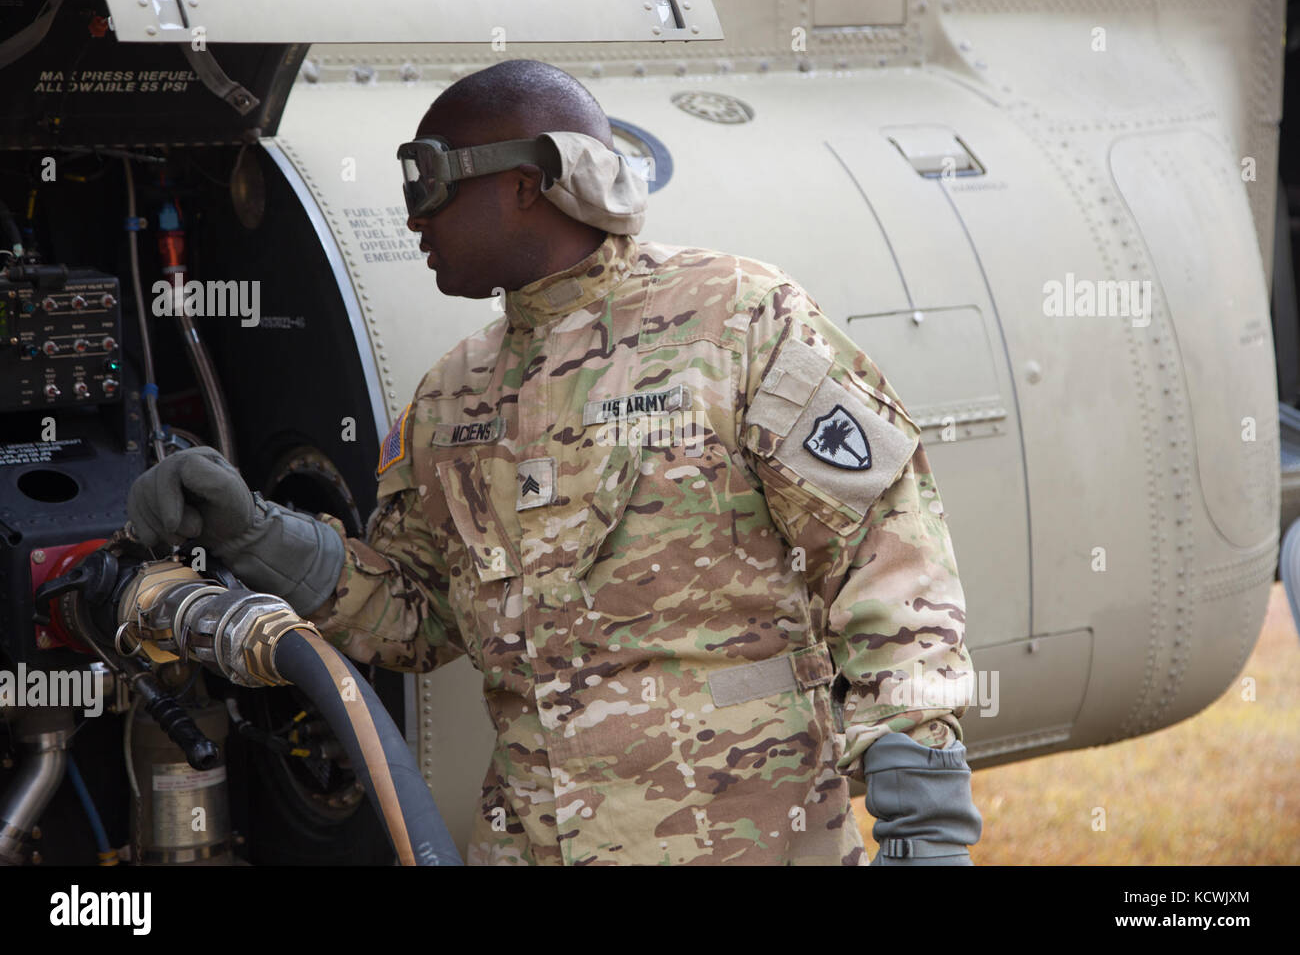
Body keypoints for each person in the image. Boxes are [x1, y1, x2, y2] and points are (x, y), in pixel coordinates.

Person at [128, 59, 982, 866]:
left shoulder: (738, 323)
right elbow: (417, 616)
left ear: (525, 185)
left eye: (429, 183)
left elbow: (887, 558)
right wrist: (254, 534)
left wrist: (924, 820)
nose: (415, 219)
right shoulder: (451, 397)